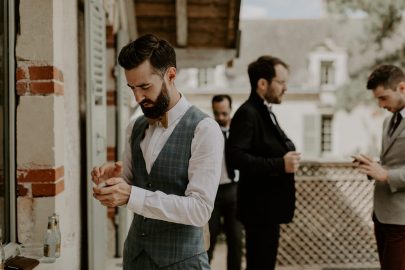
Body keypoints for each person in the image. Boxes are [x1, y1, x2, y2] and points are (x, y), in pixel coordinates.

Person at [91, 34, 223, 270]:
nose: (138, 97)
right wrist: (113, 182)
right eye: (132, 88)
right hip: (134, 258)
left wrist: (131, 195)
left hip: (183, 262)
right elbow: (131, 184)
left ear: (171, 75)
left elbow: (200, 210)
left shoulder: (205, 129)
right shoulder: (135, 126)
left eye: (145, 86)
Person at [226, 55, 300, 270]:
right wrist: (280, 164)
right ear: (262, 83)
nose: (285, 88)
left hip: (268, 210)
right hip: (259, 210)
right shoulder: (248, 113)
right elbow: (235, 156)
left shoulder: (265, 112)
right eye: (281, 82)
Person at [352, 64, 405, 270]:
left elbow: (388, 173)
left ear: (402, 88)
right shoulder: (387, 122)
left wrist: (385, 175)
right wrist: (372, 165)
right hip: (382, 215)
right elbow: (393, 162)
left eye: (384, 98)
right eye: (377, 99)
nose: (381, 105)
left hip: (402, 220)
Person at [207, 95, 243, 270]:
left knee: (236, 240)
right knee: (208, 240)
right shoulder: (207, 132)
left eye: (224, 113)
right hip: (212, 193)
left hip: (234, 191)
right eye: (216, 113)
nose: (220, 117)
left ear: (231, 109)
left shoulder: (240, 132)